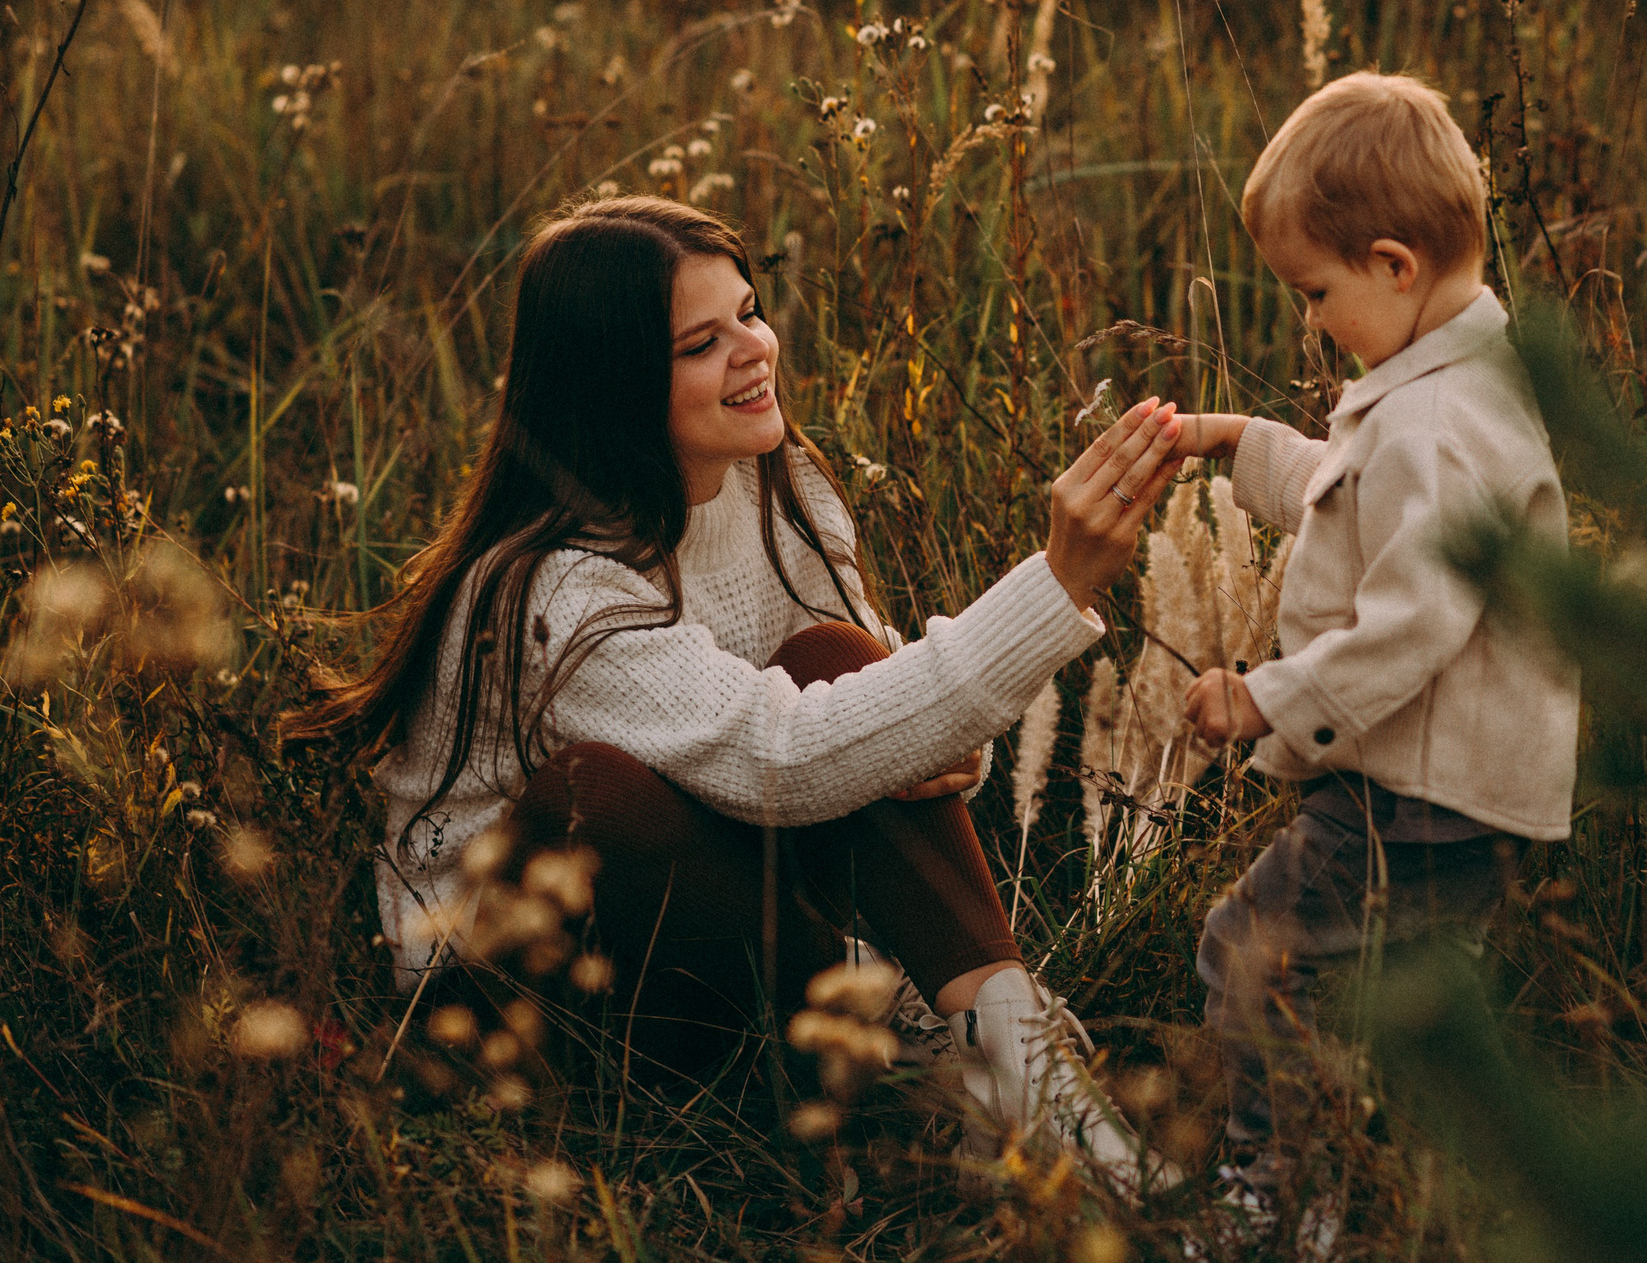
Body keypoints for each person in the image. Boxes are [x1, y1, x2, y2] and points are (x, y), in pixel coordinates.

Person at [286, 195, 1175, 1177]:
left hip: (712, 913)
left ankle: (1024, 1073)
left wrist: (921, 730)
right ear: (615, 384)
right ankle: (900, 1071)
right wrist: (1052, 586)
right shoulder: (565, 586)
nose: (755, 348)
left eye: (749, 311)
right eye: (701, 342)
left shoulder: (776, 485)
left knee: (837, 657)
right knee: (600, 788)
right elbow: (785, 760)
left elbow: (859, 700)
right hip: (516, 994)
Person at [1174, 72, 1582, 1235]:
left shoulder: (1435, 421)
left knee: (1253, 955)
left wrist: (1266, 700)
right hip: (1455, 786)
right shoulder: (1451, 386)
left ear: (1394, 266)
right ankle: (1418, 1182)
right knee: (1392, 998)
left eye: (1315, 293)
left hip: (1419, 792)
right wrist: (1240, 443)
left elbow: (1415, 618)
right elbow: (1359, 497)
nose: (1310, 322)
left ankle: (1278, 1196)